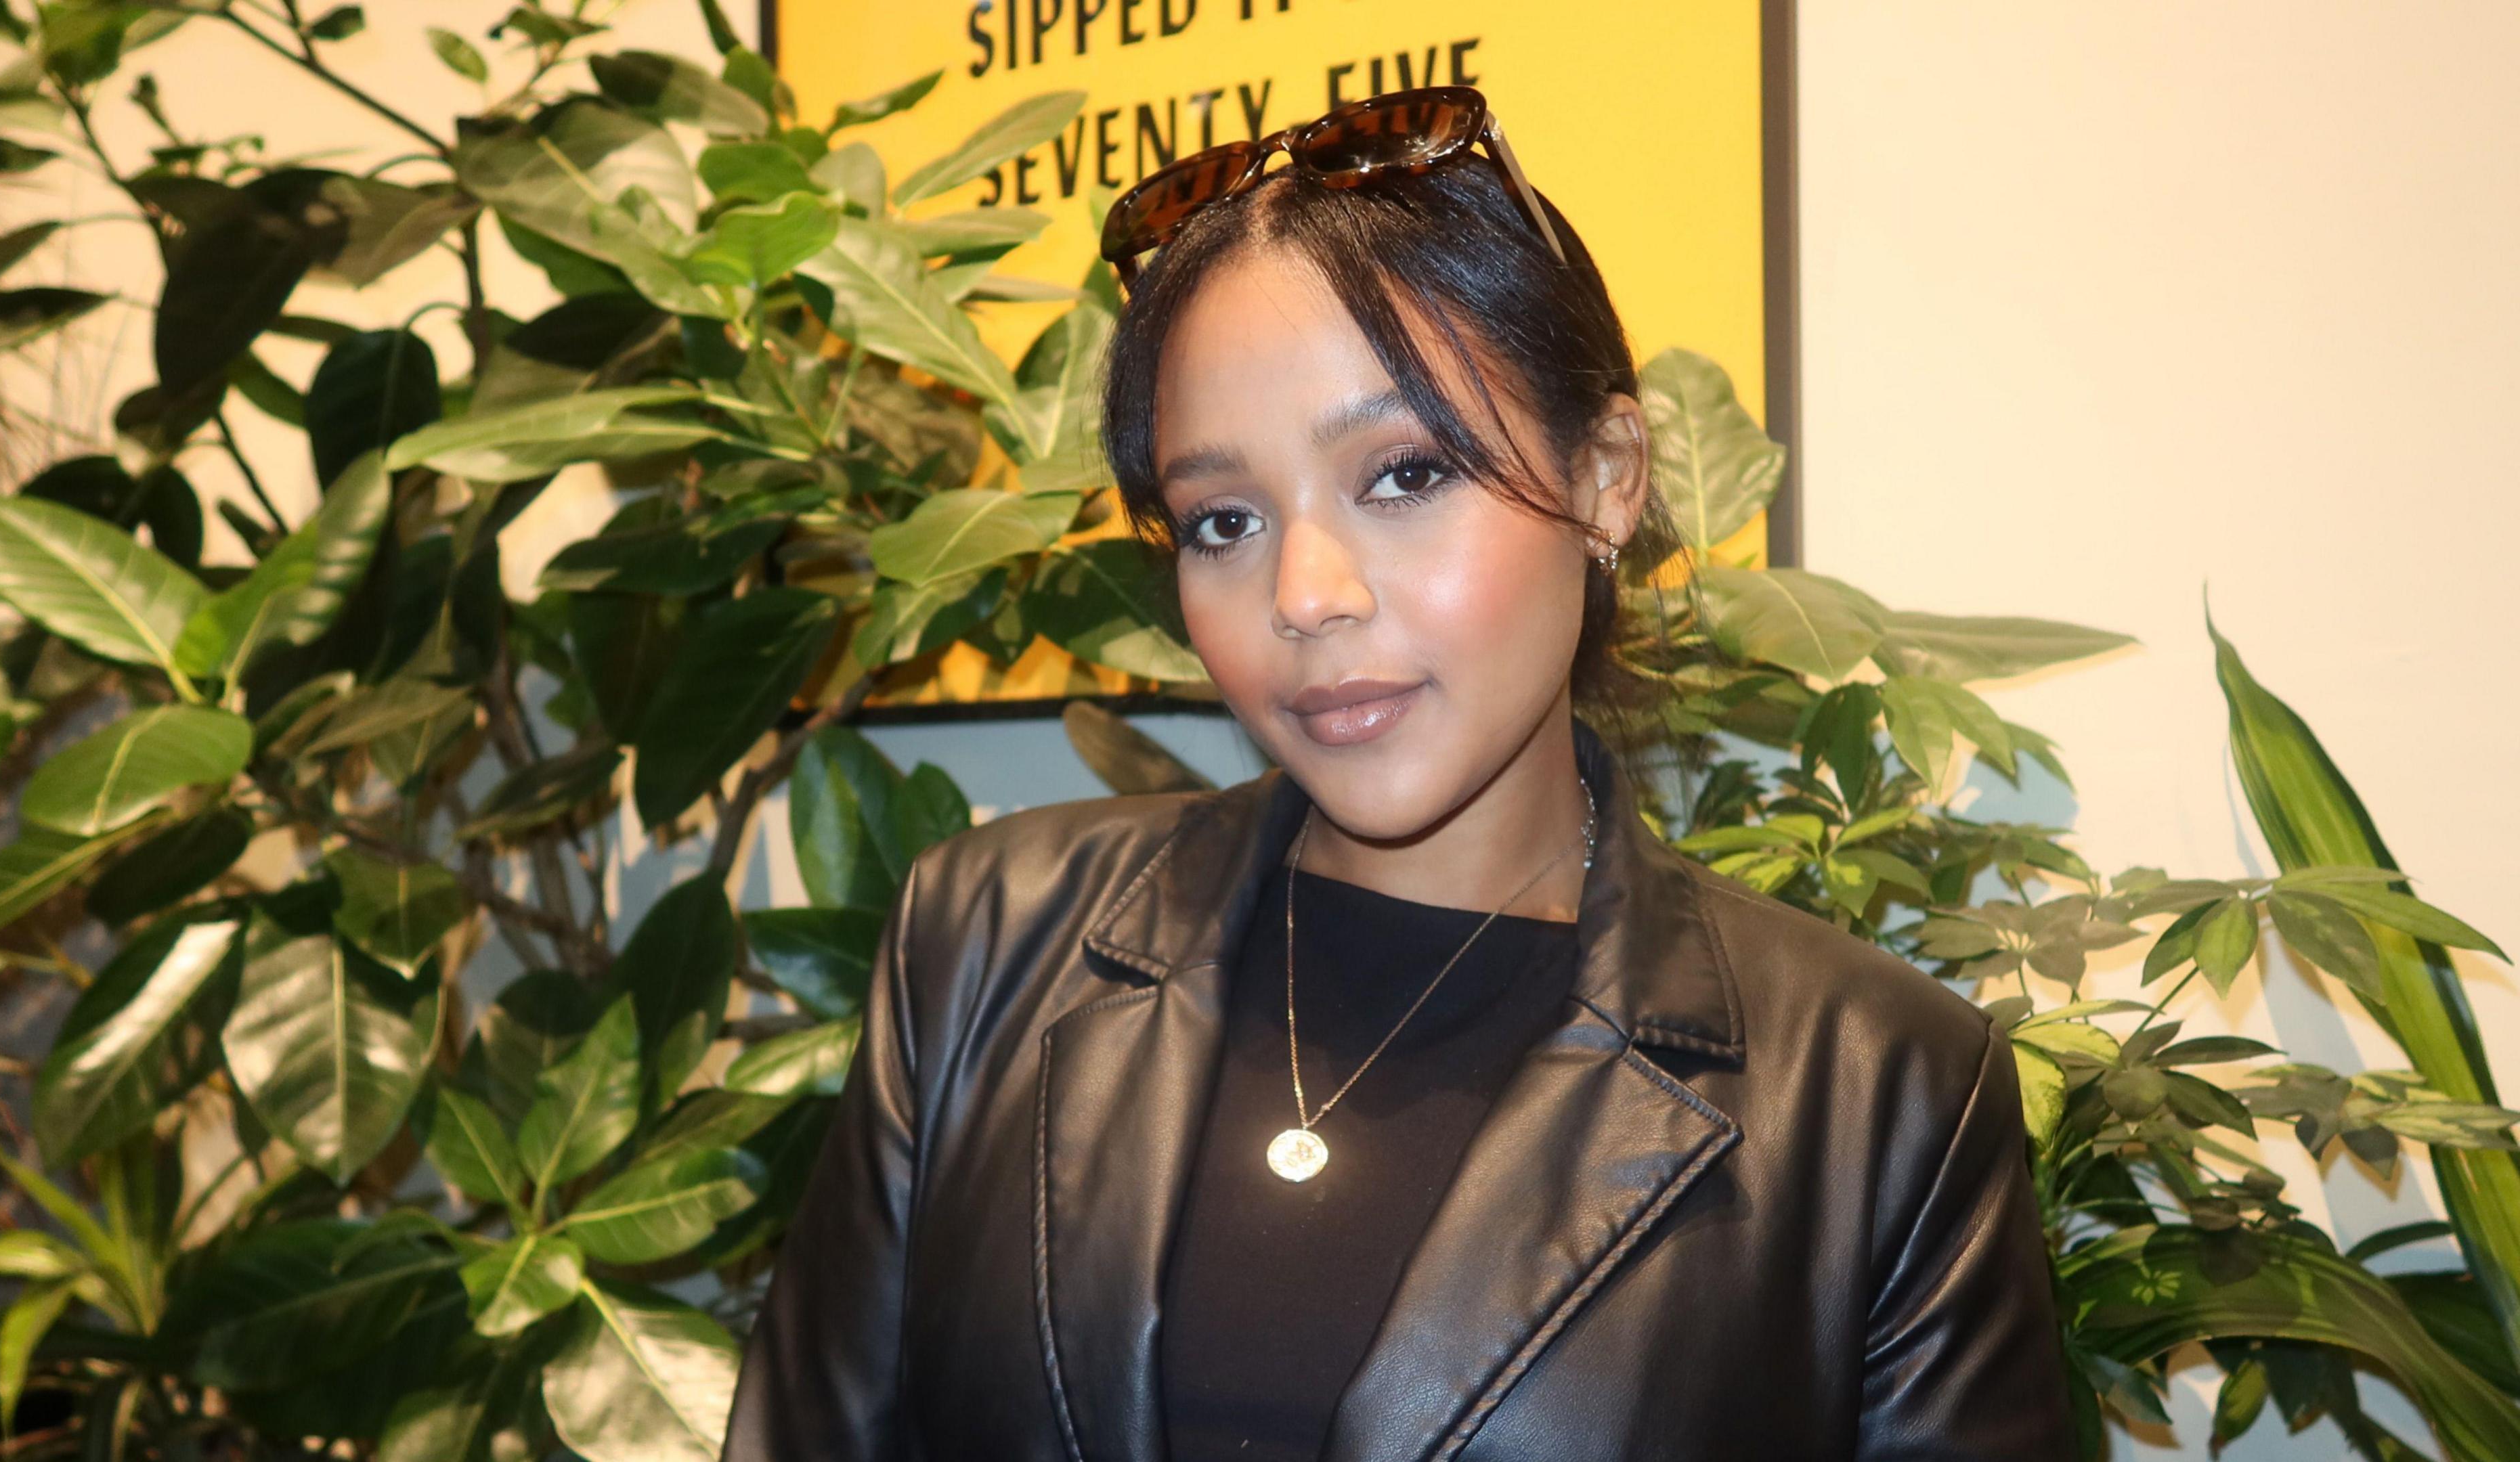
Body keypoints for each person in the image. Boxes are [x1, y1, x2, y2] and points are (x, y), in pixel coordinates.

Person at [722, 85, 2072, 1461]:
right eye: (1225, 518)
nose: (1305, 596)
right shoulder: (987, 942)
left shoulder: (1873, 1087)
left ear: (1607, 475)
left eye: (1407, 474)